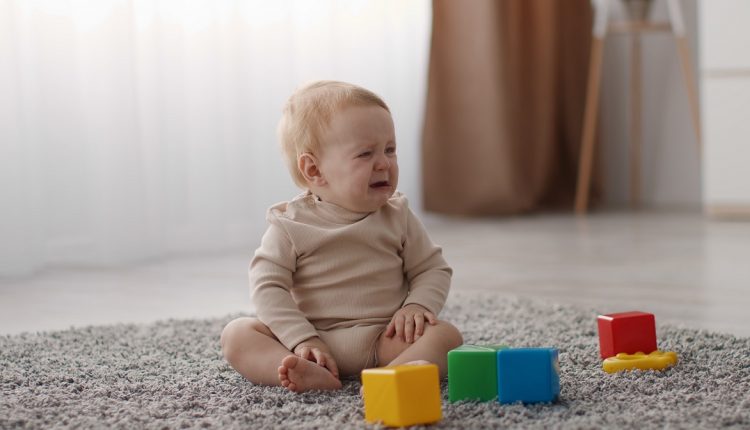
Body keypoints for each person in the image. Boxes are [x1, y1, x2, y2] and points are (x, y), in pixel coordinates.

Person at [220, 80, 463, 393]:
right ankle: (306, 374)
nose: (384, 163)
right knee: (237, 334)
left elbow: (432, 268)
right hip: (315, 344)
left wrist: (416, 306)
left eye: (390, 149)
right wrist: (301, 339)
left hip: (384, 339)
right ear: (314, 170)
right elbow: (268, 287)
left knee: (446, 336)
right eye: (365, 153)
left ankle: (393, 377)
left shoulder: (397, 215)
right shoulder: (289, 225)